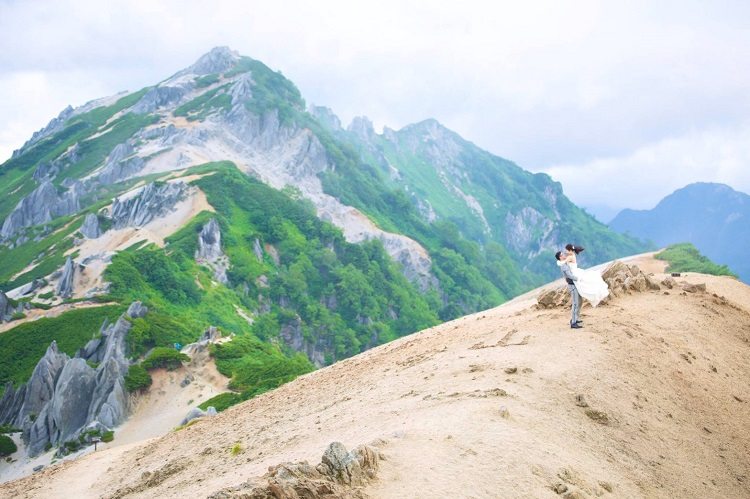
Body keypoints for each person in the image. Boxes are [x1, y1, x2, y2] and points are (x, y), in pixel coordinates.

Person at [556, 250, 583, 329]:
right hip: (572, 285)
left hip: (574, 284)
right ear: (560, 257)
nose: (564, 255)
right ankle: (573, 322)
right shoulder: (563, 266)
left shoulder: (564, 263)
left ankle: (576, 318)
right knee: (575, 303)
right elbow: (569, 275)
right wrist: (578, 278)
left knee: (580, 301)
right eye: (562, 254)